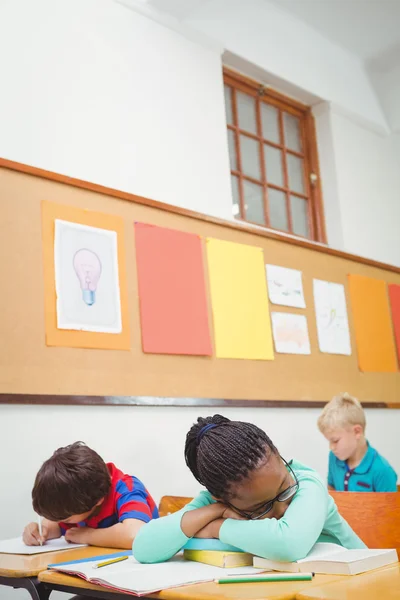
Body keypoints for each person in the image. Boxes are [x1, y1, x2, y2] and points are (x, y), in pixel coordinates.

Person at [133, 414, 365, 563]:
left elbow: (289, 544)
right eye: (262, 507)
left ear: (280, 457)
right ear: (221, 499)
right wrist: (213, 512)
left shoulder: (306, 483)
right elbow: (144, 548)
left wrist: (216, 528)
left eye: (284, 489)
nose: (282, 508)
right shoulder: (216, 503)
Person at [23, 441, 158, 549]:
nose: (60, 521)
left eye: (66, 519)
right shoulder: (79, 494)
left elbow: (135, 535)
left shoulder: (127, 489)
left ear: (98, 500)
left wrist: (88, 535)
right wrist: (41, 531)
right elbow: (57, 526)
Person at [318, 393, 397, 492]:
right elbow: (331, 490)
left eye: (335, 441)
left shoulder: (383, 471)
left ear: (357, 432)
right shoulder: (334, 457)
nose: (331, 447)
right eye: (329, 441)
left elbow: (390, 507)